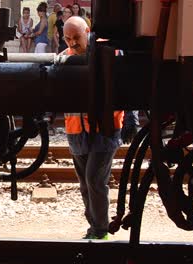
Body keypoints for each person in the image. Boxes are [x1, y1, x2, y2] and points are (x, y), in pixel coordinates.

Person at [63, 17, 124, 240]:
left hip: (105, 129)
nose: (71, 43)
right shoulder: (64, 58)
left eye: (76, 38)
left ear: (87, 32)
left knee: (94, 181)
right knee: (86, 184)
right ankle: (94, 228)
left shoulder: (111, 54)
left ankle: (100, 230)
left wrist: (132, 120)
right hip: (77, 132)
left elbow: (126, 85)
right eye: (67, 38)